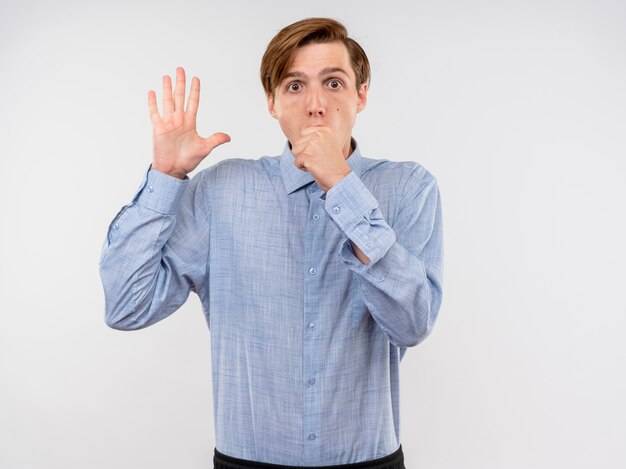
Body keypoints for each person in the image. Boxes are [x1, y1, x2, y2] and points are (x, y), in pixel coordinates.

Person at [100, 17, 443, 469]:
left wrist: (342, 186)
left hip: (369, 460)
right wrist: (166, 177)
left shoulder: (409, 187)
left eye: (334, 83)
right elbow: (126, 305)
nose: (316, 104)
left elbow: (412, 324)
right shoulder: (220, 191)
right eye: (295, 86)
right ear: (272, 103)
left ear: (361, 94)